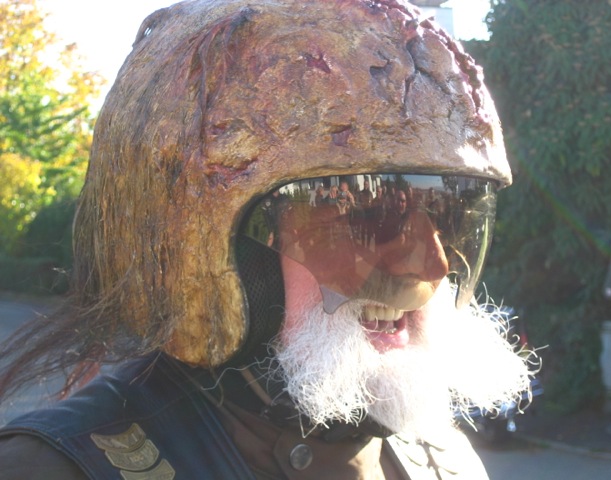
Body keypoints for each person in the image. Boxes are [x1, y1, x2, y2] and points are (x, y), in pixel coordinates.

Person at [0, 0, 533, 478]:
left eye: (448, 215)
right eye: (366, 217)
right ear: (197, 238)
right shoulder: (52, 470)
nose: (432, 266)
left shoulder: (444, 457)